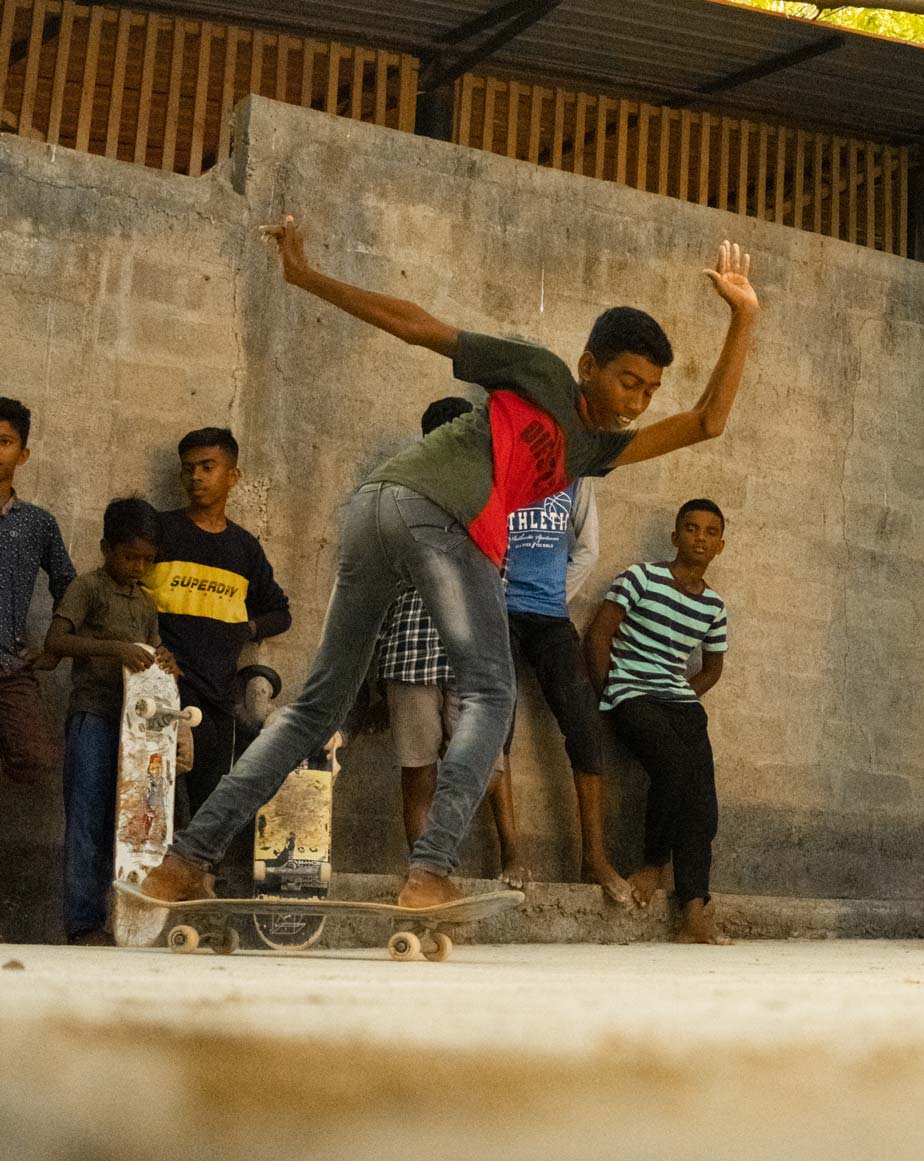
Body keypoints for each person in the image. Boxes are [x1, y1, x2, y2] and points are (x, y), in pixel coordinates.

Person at [136, 214, 759, 912]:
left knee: (317, 707)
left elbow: (707, 422)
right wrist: (306, 276)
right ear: (588, 366)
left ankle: (185, 859)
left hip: (377, 514)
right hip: (429, 513)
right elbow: (418, 325)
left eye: (648, 390)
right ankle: (430, 871)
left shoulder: (595, 452)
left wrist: (744, 318)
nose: (636, 401)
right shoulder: (541, 372)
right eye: (626, 381)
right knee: (492, 694)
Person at [368, 397, 522, 879]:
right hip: (410, 655)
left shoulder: (493, 504)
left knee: (486, 767)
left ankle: (513, 855)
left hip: (471, 659)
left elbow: (500, 582)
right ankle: (426, 873)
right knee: (418, 773)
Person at [146, 427, 293, 895]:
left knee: (211, 797)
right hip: (165, 688)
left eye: (207, 467)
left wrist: (247, 629)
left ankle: (199, 888)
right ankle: (152, 885)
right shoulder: (162, 530)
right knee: (157, 796)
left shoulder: (245, 548)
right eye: (188, 468)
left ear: (233, 475)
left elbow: (281, 611)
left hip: (219, 692)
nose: (196, 477)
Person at [586, 499, 730, 944]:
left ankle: (693, 913)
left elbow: (713, 667)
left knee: (703, 803)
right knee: (672, 766)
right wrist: (610, 690)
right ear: (675, 536)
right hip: (631, 692)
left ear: (720, 545)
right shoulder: (640, 577)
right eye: (690, 528)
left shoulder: (714, 607)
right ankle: (652, 864)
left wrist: (685, 694)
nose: (699, 538)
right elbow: (599, 634)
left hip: (679, 703)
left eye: (709, 532)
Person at [43, 498, 180, 944]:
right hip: (92, 718)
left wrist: (163, 659)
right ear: (106, 548)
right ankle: (83, 925)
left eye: (147, 558)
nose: (138, 565)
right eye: (129, 556)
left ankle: (121, 919)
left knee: (128, 824)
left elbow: (152, 655)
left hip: (135, 732)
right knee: (86, 819)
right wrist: (115, 649)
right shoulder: (88, 588)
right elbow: (56, 641)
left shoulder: (145, 603)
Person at [501, 444, 630, 902]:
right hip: (498, 613)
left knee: (584, 725)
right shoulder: (499, 463)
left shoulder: (575, 475)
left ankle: (594, 856)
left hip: (551, 617)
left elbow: (588, 549)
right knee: (498, 729)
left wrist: (556, 595)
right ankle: (512, 852)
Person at [0, 397, 76, 787]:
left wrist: (54, 647)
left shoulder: (37, 523)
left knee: (38, 757)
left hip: (8, 666)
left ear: (22, 453)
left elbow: (69, 585)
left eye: (4, 441)